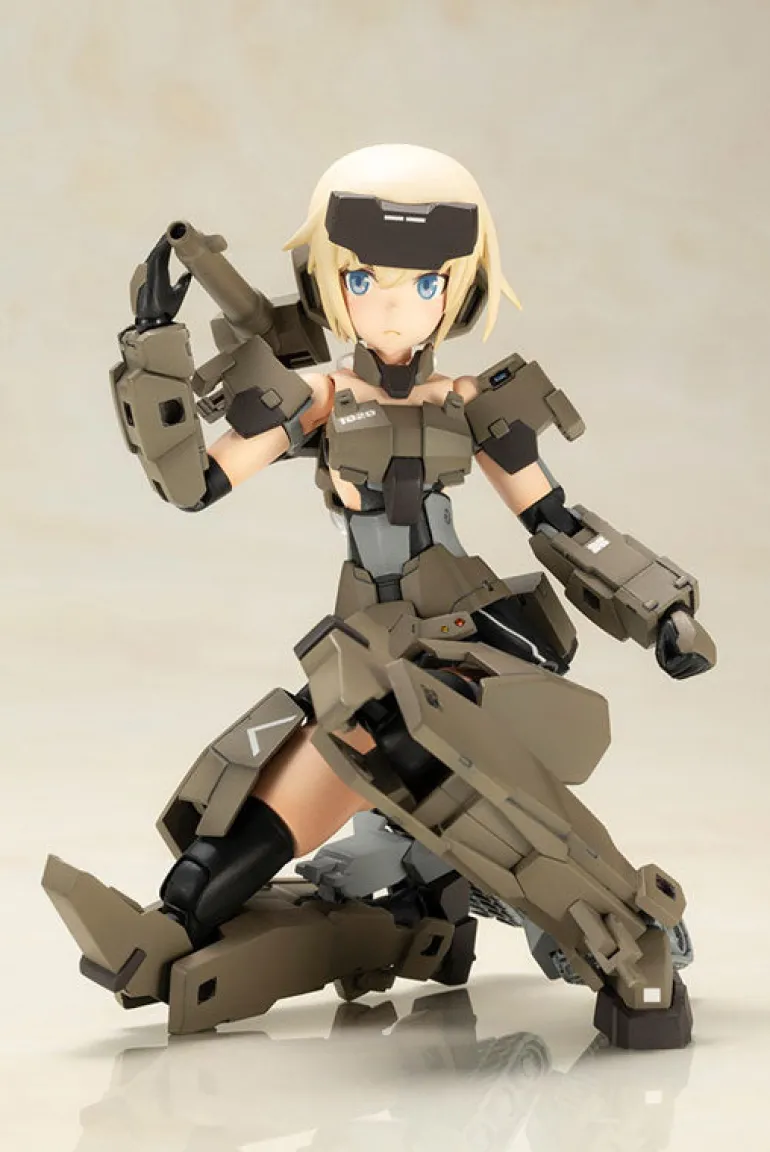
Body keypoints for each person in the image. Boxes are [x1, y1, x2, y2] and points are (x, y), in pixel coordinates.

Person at [43, 144, 715, 1049]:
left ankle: (623, 932)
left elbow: (557, 519)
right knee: (268, 765)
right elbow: (194, 483)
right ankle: (177, 922)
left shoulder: (472, 401)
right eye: (364, 280)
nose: (394, 306)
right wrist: (152, 345)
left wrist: (662, 609)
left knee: (428, 748)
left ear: (459, 290)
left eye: (424, 284)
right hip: (367, 644)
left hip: (465, 638)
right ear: (331, 286)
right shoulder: (319, 397)